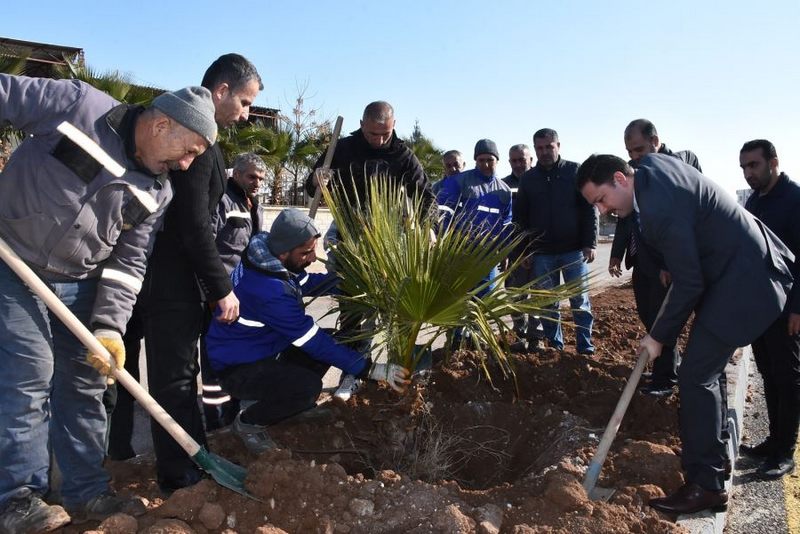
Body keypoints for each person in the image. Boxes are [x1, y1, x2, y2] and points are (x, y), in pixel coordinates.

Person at [0, 74, 217, 532]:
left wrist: (109, 328)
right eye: (190, 149)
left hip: (79, 281)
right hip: (12, 260)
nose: (186, 163)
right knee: (28, 376)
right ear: (162, 126)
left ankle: (85, 491)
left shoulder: (157, 191)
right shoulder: (78, 105)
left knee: (86, 385)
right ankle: (17, 498)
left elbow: (128, 264)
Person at [577, 153, 793, 515]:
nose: (602, 211)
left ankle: (705, 486)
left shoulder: (659, 206)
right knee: (705, 371)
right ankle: (717, 459)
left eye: (601, 199)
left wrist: (658, 336)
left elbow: (689, 281)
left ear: (620, 178)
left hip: (745, 281)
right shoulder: (649, 171)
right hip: (737, 271)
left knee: (695, 376)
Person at [139, 53, 262, 493]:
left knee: (183, 376)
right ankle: (177, 475)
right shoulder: (197, 143)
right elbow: (192, 227)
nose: (246, 115)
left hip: (177, 282)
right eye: (245, 103)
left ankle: (193, 456)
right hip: (170, 284)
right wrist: (220, 288)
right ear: (221, 91)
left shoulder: (207, 143)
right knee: (173, 382)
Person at [205, 208, 410, 452]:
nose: (313, 258)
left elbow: (305, 282)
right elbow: (313, 342)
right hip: (237, 367)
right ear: (284, 253)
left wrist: (354, 281)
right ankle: (249, 423)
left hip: (260, 348)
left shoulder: (265, 257)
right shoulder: (269, 291)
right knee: (308, 386)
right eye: (306, 253)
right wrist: (370, 369)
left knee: (330, 343)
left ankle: (290, 407)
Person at [304, 101, 433, 400]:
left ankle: (397, 368)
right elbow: (310, 187)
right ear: (362, 125)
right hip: (348, 237)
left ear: (394, 125)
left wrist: (428, 228)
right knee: (352, 309)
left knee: (391, 309)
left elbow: (425, 196)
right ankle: (353, 372)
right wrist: (316, 178)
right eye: (374, 134)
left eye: (385, 134)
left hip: (389, 242)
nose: (379, 140)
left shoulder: (401, 154)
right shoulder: (343, 149)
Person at [609, 119, 703, 396]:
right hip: (643, 262)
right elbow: (626, 217)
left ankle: (666, 379)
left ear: (655, 141)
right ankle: (661, 370)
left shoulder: (677, 169)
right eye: (630, 152)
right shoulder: (637, 174)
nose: (635, 157)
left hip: (666, 265)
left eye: (639, 150)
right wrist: (616, 254)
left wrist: (669, 263)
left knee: (663, 319)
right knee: (649, 316)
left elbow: (679, 223)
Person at [738, 139, 800, 479]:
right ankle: (772, 442)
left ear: (773, 162)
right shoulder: (754, 201)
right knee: (770, 376)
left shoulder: (794, 200)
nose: (749, 173)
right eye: (744, 168)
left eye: (754, 166)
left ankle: (784, 451)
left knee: (788, 379)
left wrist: (798, 308)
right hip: (761, 306)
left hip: (787, 308)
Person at [515, 128, 597, 354]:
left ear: (558, 146)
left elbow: (589, 209)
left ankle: (585, 347)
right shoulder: (528, 180)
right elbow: (520, 218)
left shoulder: (575, 171)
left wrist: (590, 242)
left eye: (548, 147)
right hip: (542, 254)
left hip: (573, 251)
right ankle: (556, 346)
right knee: (548, 304)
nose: (544, 152)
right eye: (539, 148)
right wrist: (525, 251)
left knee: (579, 301)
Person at [200, 152, 266, 429]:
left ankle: (233, 410)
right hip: (218, 292)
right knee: (214, 356)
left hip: (241, 293)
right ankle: (215, 421)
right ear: (236, 174)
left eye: (261, 178)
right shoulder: (223, 200)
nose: (257, 183)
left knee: (238, 353)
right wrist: (215, 292)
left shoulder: (254, 204)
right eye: (252, 176)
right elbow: (207, 245)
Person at [436, 139, 513, 346]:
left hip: (486, 257)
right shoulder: (460, 181)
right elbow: (443, 215)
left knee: (483, 301)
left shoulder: (504, 191)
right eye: (481, 160)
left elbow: (506, 224)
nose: (486, 164)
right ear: (475, 160)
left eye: (490, 160)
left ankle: (476, 342)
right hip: (459, 254)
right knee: (457, 300)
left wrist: (504, 252)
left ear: (497, 160)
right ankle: (455, 341)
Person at [501, 144, 542, 350]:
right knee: (515, 297)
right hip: (513, 253)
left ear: (531, 160)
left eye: (522, 160)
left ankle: (536, 339)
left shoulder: (540, 182)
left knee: (538, 297)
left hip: (539, 251)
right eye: (514, 160)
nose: (518, 164)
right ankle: (520, 336)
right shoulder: (503, 186)